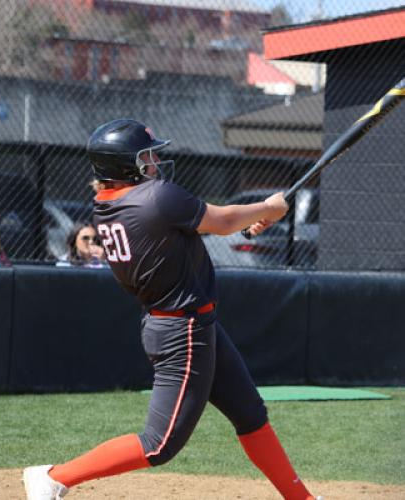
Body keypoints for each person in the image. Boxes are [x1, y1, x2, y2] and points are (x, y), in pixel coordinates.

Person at [23, 119, 322, 500]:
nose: (155, 162)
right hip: (182, 332)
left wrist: (252, 218)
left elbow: (209, 226)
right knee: (159, 443)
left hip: (191, 322)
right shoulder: (155, 196)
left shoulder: (107, 205)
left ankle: (303, 499)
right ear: (123, 166)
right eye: (145, 156)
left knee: (249, 412)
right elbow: (224, 220)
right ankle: (53, 477)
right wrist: (269, 207)